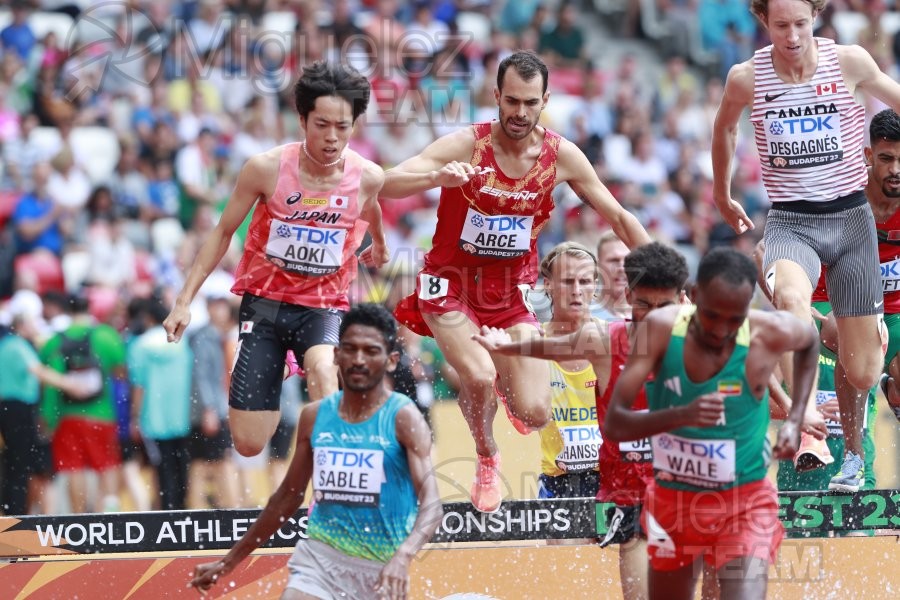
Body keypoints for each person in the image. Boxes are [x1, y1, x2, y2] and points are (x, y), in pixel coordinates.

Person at [383, 50, 650, 512]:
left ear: (545, 99)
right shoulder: (467, 144)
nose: (520, 113)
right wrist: (436, 176)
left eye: (530, 103)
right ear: (496, 97)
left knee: (535, 411)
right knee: (479, 373)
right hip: (448, 286)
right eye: (511, 102)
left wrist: (664, 281)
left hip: (509, 297)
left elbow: (619, 216)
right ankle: (487, 456)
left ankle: (504, 387)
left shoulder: (561, 156)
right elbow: (386, 182)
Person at [711, 0, 900, 489]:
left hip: (851, 219)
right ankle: (807, 425)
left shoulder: (851, 61)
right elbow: (726, 126)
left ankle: (867, 346)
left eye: (800, 23)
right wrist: (721, 191)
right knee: (793, 299)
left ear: (815, 15)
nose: (792, 36)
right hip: (792, 222)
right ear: (763, 21)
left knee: (862, 372)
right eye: (780, 26)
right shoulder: (746, 77)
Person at [163, 60, 389, 457]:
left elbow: (371, 208)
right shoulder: (265, 169)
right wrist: (183, 302)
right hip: (265, 304)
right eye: (322, 125)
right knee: (249, 444)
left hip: (323, 304)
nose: (333, 138)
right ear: (302, 120)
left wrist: (381, 244)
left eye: (343, 127)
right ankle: (283, 360)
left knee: (322, 366)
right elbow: (221, 232)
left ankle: (334, 482)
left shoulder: (367, 175)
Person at [475, 241, 689, 600]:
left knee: (636, 556)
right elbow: (523, 419)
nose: (577, 291)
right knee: (568, 582)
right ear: (548, 286)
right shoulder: (534, 340)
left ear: (597, 286)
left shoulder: (613, 338)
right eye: (568, 282)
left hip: (617, 474)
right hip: (562, 482)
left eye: (585, 282)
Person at [604, 247, 820, 600]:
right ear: (695, 297)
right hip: (675, 506)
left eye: (733, 319)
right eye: (711, 315)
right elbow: (615, 423)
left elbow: (808, 340)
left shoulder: (766, 330)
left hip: (744, 506)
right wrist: (680, 416)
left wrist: (796, 418)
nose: (721, 330)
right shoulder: (658, 328)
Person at [189, 304, 441, 599]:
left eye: (371, 351)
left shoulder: (403, 418)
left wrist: (403, 557)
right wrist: (227, 562)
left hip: (382, 570)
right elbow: (286, 497)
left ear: (391, 360)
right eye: (350, 349)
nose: (359, 360)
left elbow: (432, 505)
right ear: (336, 355)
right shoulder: (314, 417)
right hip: (318, 564)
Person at [590, 231, 630, 321]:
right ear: (598, 265)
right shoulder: (583, 315)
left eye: (628, 260)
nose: (622, 268)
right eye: (614, 260)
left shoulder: (650, 314)